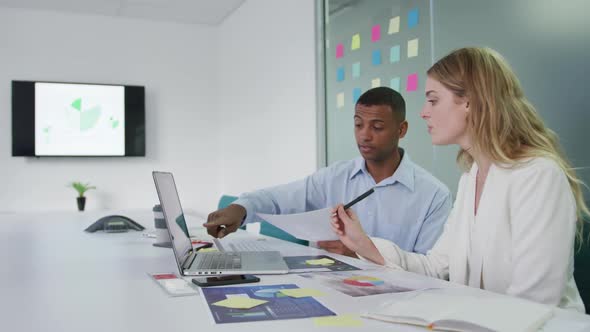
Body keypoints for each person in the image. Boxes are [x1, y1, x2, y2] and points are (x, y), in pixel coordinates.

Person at [330, 47, 588, 311]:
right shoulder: (472, 177)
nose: (423, 112)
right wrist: (363, 243)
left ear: (469, 101)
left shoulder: (538, 175)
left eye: (433, 100)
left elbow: (533, 302)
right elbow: (436, 267)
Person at [204, 87, 452, 256]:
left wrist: (360, 254)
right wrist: (240, 209)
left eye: (377, 126)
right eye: (358, 124)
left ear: (402, 130)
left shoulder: (433, 195)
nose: (364, 135)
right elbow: (278, 199)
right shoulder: (334, 177)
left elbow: (430, 272)